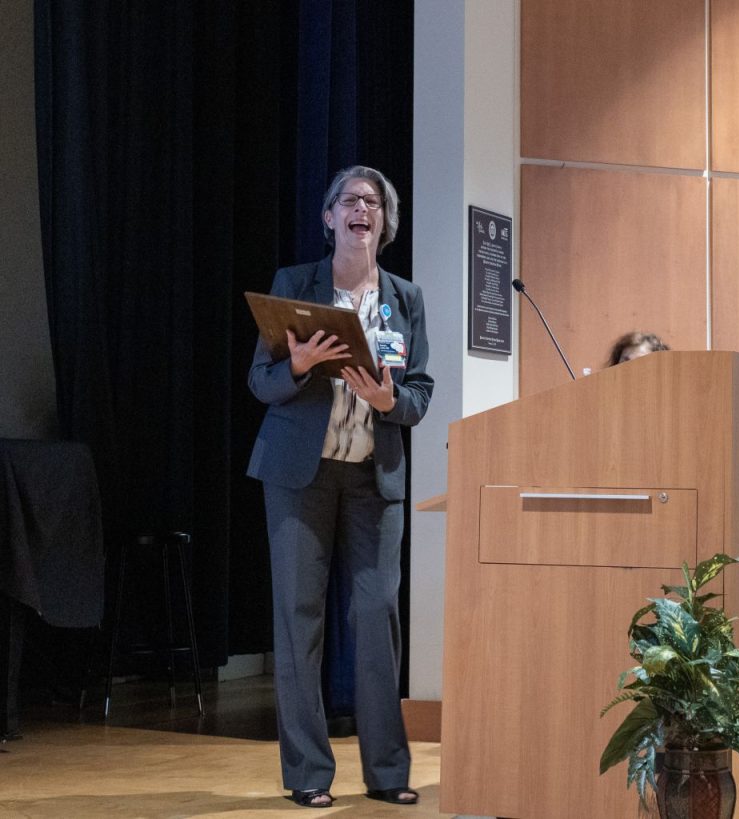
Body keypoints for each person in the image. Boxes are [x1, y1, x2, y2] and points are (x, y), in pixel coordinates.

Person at [247, 166, 433, 808]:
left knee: (376, 615)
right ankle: (306, 773)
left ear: (385, 222)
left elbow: (420, 394)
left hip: (371, 478)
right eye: (349, 200)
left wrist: (389, 398)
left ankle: (387, 773)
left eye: (374, 202)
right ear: (328, 218)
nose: (362, 209)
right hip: (300, 475)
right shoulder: (294, 286)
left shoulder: (404, 298)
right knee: (298, 619)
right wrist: (296, 365)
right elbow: (259, 382)